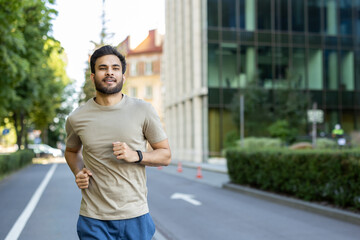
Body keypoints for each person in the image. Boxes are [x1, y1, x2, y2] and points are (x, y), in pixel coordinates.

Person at [65, 45, 171, 240]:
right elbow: (71, 151)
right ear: (93, 76)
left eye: (115, 68)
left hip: (135, 216)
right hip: (93, 218)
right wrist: (78, 172)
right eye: (103, 68)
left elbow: (165, 155)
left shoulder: (143, 110)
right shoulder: (77, 118)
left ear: (123, 75)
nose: (109, 73)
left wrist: (136, 155)